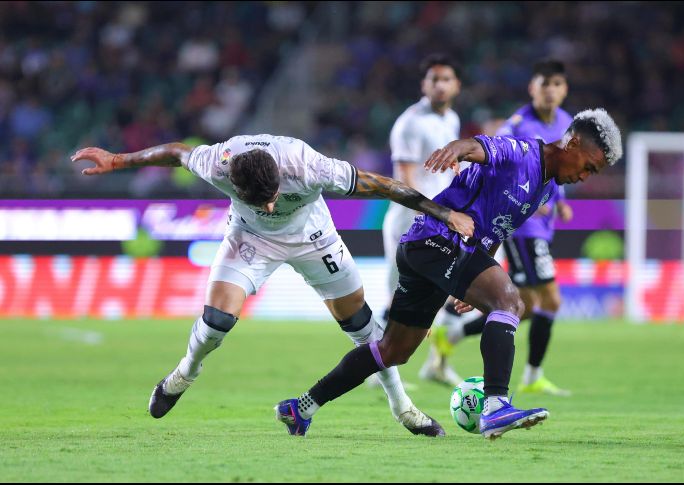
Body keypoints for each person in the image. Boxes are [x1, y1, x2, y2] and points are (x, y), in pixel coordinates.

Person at [71, 134, 474, 437]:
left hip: (314, 238)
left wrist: (442, 213)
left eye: (272, 196)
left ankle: (403, 408)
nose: (268, 205)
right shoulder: (217, 162)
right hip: (251, 239)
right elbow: (176, 153)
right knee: (215, 322)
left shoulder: (308, 164)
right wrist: (119, 160)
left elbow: (381, 184)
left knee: (363, 327)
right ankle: (183, 374)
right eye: (258, 199)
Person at [276, 108, 623, 440]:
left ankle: (301, 407)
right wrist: (454, 150)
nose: (585, 176)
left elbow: (497, 228)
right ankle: (496, 406)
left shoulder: (548, 187)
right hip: (437, 239)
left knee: (393, 350)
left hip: (431, 251)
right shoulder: (522, 153)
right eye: (589, 167)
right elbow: (475, 146)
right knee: (510, 302)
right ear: (573, 143)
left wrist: (479, 277)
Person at [426, 59, 576, 396]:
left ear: (564, 89)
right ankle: (532, 376)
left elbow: (561, 166)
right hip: (523, 226)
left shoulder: (566, 123)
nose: (550, 91)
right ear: (532, 87)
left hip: (544, 223)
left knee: (526, 305)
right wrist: (527, 199)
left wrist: (561, 200)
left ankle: (452, 335)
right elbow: (500, 164)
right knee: (550, 300)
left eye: (556, 84)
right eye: (544, 83)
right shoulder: (517, 125)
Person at [381, 53, 470, 386]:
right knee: (399, 293)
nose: (440, 85)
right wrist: (431, 213)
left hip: (441, 219)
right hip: (410, 220)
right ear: (424, 84)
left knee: (446, 290)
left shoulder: (452, 120)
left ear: (456, 85)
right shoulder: (410, 123)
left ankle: (437, 364)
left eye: (446, 79)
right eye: (434, 79)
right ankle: (380, 367)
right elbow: (404, 178)